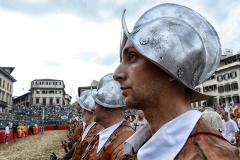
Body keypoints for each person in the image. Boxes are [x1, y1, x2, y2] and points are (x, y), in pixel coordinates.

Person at [114, 3, 240, 159]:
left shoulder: (212, 156)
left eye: (132, 56)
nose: (116, 74)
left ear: (171, 68)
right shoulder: (138, 146)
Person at [81, 73, 135, 160]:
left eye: (96, 104)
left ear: (110, 108)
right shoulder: (108, 132)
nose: (92, 108)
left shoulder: (125, 140)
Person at [57, 90, 103, 160]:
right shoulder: (89, 126)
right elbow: (79, 145)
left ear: (90, 111)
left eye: (83, 109)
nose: (81, 111)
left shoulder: (97, 129)